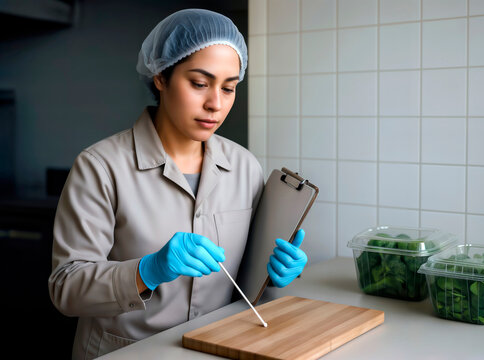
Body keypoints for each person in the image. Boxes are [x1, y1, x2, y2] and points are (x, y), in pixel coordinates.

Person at [48, 9, 308, 359]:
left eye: (229, 88)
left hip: (217, 349)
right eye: (199, 83)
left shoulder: (244, 166)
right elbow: (66, 288)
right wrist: (147, 270)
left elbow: (242, 281)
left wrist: (273, 276)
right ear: (160, 76)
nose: (215, 103)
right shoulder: (100, 167)